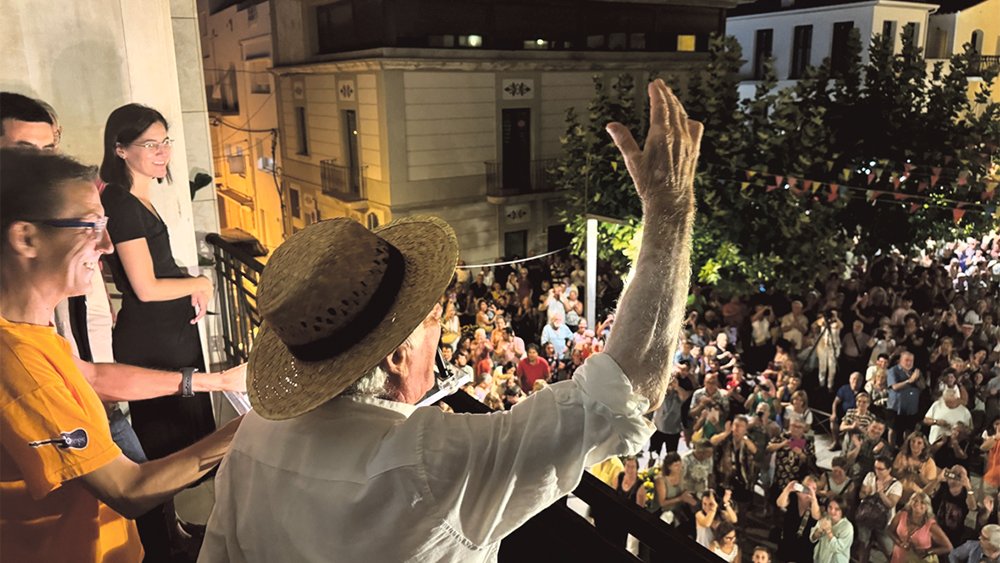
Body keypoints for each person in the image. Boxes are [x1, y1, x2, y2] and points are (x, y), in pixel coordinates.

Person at [200, 79, 705, 561]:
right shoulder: (436, 464)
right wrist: (670, 207)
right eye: (434, 318)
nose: (443, 331)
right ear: (397, 355)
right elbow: (626, 389)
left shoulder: (253, 438)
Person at [0, 148, 242, 563]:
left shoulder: (31, 333)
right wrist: (255, 426)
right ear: (26, 238)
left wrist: (215, 382)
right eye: (91, 226)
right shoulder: (16, 361)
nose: (108, 245)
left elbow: (91, 379)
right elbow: (128, 489)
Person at [100, 104, 220, 560]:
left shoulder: (137, 196)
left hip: (168, 335)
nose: (162, 151)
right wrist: (201, 281)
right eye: (149, 144)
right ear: (120, 149)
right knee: (167, 444)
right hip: (154, 340)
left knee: (175, 439)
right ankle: (166, 542)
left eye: (165, 140)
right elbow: (146, 287)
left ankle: (173, 531)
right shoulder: (120, 201)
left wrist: (190, 282)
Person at [856, 455, 903, 563]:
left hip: (884, 522)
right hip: (866, 517)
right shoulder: (870, 476)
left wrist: (881, 493)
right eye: (876, 468)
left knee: (889, 549)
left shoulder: (896, 485)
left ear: (889, 469)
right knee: (863, 544)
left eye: (881, 469)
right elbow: (861, 495)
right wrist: (865, 492)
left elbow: (890, 504)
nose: (877, 471)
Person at [888, 492, 953, 563]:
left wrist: (927, 552)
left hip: (919, 560)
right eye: (915, 500)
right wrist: (899, 543)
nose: (918, 504)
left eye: (922, 502)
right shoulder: (901, 515)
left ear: (927, 507)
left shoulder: (931, 525)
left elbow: (948, 547)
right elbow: (890, 531)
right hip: (899, 557)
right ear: (910, 502)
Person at [923, 465, 977, 548]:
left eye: (959, 475)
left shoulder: (966, 493)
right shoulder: (942, 486)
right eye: (953, 473)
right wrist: (937, 479)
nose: (955, 477)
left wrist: (968, 487)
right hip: (935, 529)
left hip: (954, 534)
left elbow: (972, 507)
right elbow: (923, 494)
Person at [775, 477, 822, 563]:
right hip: (788, 539)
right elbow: (780, 503)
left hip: (805, 544)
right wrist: (787, 489)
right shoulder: (793, 496)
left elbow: (817, 516)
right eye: (807, 487)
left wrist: (813, 499)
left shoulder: (817, 501)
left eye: (813, 488)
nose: (809, 490)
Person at [887, 351, 924, 445]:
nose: (909, 363)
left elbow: (923, 387)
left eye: (911, 361)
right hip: (896, 407)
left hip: (911, 408)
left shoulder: (916, 372)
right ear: (900, 360)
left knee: (909, 431)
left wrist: (917, 379)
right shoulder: (893, 370)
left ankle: (906, 449)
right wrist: (910, 381)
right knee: (893, 430)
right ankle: (890, 449)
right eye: (906, 360)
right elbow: (894, 387)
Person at [810, 496, 854, 563]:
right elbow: (812, 538)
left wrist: (829, 531)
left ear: (843, 511)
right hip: (820, 559)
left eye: (837, 509)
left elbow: (838, 548)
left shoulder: (847, 527)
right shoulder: (825, 518)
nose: (832, 511)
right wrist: (819, 531)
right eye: (830, 507)